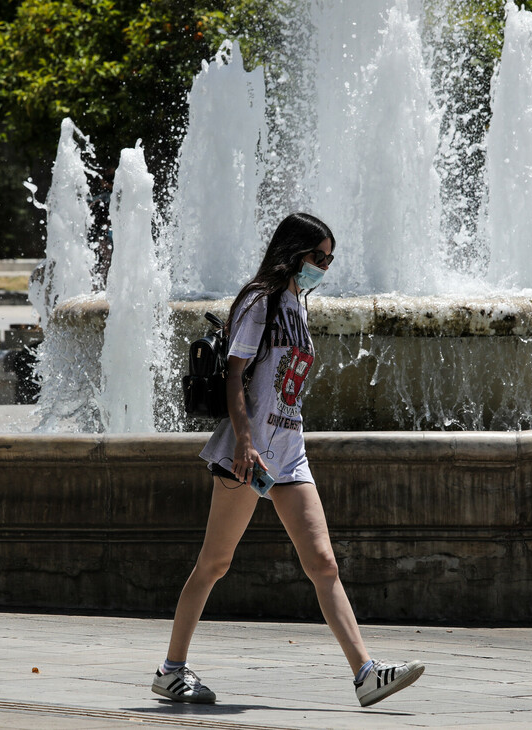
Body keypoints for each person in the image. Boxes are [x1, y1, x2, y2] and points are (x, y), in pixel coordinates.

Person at [151, 212, 424, 707]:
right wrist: (244, 441)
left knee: (322, 563)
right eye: (317, 256)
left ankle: (365, 673)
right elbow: (235, 377)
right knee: (214, 564)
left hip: (289, 453)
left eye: (329, 259)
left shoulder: (298, 304)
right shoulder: (261, 300)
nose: (324, 266)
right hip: (249, 452)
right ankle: (171, 670)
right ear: (293, 252)